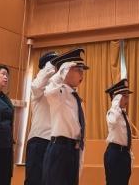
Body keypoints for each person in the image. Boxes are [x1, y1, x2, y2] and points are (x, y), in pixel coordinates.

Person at [42, 48, 90, 185]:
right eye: (78, 69)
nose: (82, 74)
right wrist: (61, 73)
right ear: (65, 71)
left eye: (82, 70)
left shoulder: (76, 98)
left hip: (73, 150)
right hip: (60, 149)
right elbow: (49, 91)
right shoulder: (58, 93)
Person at [25, 51, 58, 185]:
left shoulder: (59, 87)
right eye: (55, 64)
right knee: (35, 180)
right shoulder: (38, 86)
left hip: (56, 141)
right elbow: (37, 86)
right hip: (39, 140)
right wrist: (51, 65)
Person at [104, 79, 133, 185]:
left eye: (127, 96)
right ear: (116, 98)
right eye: (124, 96)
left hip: (124, 154)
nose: (127, 99)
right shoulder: (112, 113)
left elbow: (126, 137)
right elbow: (112, 122)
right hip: (115, 153)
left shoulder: (123, 115)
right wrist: (115, 104)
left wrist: (130, 155)